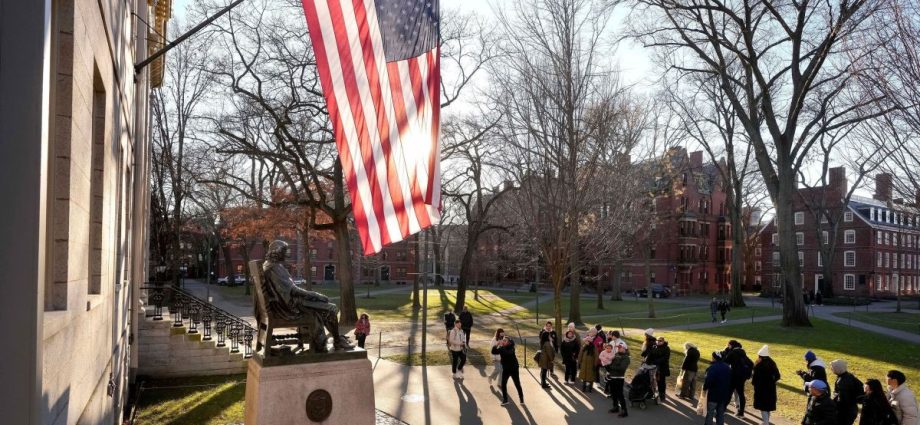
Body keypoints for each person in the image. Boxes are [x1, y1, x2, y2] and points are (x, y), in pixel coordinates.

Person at [262, 240, 353, 351]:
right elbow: (294, 290)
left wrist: (314, 296)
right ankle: (336, 341)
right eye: (284, 251)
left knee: (324, 307)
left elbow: (290, 289)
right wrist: (315, 295)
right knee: (331, 308)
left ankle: (335, 339)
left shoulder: (268, 265)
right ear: (277, 252)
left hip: (284, 304)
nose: (286, 254)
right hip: (290, 306)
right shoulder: (275, 268)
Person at [723, 340, 754, 416]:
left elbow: (725, 361)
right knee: (741, 394)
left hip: (734, 376)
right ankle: (741, 412)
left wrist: (726, 351)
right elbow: (751, 363)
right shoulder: (742, 352)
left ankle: (723, 409)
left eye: (729, 346)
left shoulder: (732, 353)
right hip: (742, 377)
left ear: (731, 345)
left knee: (729, 393)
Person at [752, 345, 781, 425]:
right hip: (771, 388)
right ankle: (766, 421)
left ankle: (766, 422)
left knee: (763, 407)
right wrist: (772, 381)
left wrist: (755, 366)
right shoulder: (772, 363)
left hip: (761, 389)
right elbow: (778, 376)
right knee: (767, 406)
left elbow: (755, 378)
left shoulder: (759, 365)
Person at [492, 336, 524, 406]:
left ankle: (521, 399)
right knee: (503, 384)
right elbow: (493, 351)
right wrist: (496, 345)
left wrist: (501, 348)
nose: (503, 342)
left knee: (517, 384)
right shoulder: (501, 348)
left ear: (508, 342)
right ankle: (505, 400)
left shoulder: (511, 347)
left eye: (505, 341)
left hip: (514, 369)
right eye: (503, 340)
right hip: (506, 369)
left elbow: (507, 353)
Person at [830, 359, 864, 425]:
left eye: (832, 367)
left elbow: (842, 400)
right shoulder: (849, 376)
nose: (831, 369)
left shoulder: (842, 382)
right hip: (852, 409)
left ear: (838, 369)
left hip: (845, 412)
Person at [704, 351, 733, 425]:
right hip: (724, 394)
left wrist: (705, 388)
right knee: (720, 413)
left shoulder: (712, 367)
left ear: (714, 358)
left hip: (713, 393)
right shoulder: (727, 367)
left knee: (710, 412)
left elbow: (709, 380)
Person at [643, 336, 671, 402]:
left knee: (661, 382)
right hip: (653, 367)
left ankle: (662, 394)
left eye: (660, 340)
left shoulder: (666, 348)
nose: (658, 341)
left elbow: (665, 358)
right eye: (658, 340)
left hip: (662, 368)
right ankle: (652, 393)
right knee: (652, 380)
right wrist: (647, 360)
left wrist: (655, 361)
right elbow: (650, 355)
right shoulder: (654, 347)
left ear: (663, 341)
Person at [606, 341, 630, 417]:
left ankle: (624, 411)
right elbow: (611, 363)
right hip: (612, 377)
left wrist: (611, 367)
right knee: (613, 393)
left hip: (619, 378)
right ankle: (615, 407)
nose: (618, 349)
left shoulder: (626, 357)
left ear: (624, 348)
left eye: (620, 348)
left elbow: (622, 368)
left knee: (620, 394)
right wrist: (607, 366)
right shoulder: (616, 355)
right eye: (618, 348)